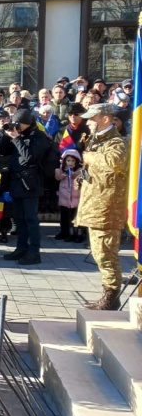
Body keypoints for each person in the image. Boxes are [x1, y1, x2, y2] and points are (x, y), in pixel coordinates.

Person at [75, 103, 129, 310]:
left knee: (106, 253)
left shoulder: (115, 142)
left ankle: (111, 297)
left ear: (105, 118)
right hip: (96, 206)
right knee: (99, 253)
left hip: (107, 208)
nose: (88, 122)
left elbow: (116, 161)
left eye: (92, 118)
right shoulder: (97, 140)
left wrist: (90, 158)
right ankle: (108, 294)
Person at [0, 108, 51, 266]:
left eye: (19, 124)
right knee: (19, 219)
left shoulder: (38, 137)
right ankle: (21, 248)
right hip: (16, 183)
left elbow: (29, 158)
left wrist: (17, 138)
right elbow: (1, 151)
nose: (17, 127)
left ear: (27, 123)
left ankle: (34, 252)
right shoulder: (17, 136)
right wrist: (7, 137)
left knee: (31, 219)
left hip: (30, 184)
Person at [54, 148, 83, 243]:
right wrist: (63, 175)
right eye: (68, 160)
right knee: (64, 216)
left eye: (73, 160)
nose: (70, 163)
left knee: (76, 216)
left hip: (76, 197)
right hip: (64, 198)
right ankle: (65, 232)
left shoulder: (80, 170)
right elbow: (57, 177)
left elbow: (82, 178)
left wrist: (76, 174)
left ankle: (77, 233)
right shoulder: (60, 169)